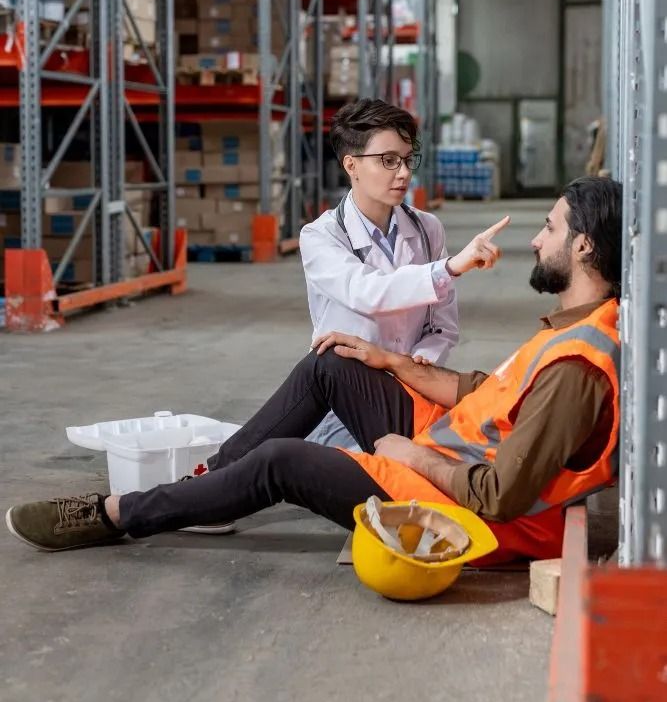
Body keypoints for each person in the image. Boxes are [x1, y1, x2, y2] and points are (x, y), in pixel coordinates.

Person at [6, 176, 622, 567]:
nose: (538, 241)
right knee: (332, 363)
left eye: (549, 228)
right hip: (455, 447)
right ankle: (215, 488)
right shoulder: (574, 324)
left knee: (282, 461)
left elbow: (501, 497)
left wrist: (411, 457)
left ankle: (118, 514)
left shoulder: (578, 364)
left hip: (471, 511)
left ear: (585, 247)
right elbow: (494, 393)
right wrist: (388, 360)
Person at [300, 98, 509, 449]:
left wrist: (420, 358)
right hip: (348, 402)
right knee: (372, 471)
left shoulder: (427, 229)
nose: (404, 172)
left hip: (413, 390)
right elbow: (366, 292)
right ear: (351, 165)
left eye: (408, 160)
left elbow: (443, 324)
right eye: (388, 161)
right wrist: (450, 267)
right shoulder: (321, 236)